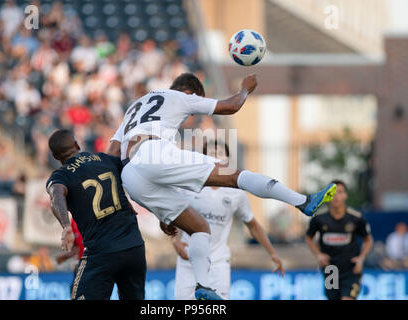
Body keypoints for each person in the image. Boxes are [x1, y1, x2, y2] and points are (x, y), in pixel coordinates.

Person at [107, 72, 336, 300]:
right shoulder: (181, 97)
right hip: (154, 153)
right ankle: (303, 201)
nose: (190, 117)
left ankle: (204, 287)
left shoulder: (133, 108)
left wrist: (136, 202)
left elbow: (113, 154)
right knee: (233, 177)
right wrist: (245, 88)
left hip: (131, 176)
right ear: (192, 93)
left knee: (199, 228)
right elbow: (231, 106)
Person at [172, 139, 285, 300]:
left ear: (227, 160)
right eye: (212, 153)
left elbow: (252, 225)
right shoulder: (188, 186)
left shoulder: (236, 192)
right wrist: (175, 241)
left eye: (220, 153)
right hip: (189, 260)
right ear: (204, 159)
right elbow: (171, 214)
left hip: (218, 262)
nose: (217, 156)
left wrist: (273, 253)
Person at [46, 129, 145, 300]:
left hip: (102, 253)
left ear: (55, 157)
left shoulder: (62, 175)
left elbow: (56, 195)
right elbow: (134, 174)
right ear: (77, 145)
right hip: (134, 247)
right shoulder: (105, 159)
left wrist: (66, 226)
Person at [305, 180, 373, 300]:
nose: (336, 196)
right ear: (327, 196)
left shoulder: (356, 218)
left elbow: (368, 240)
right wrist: (318, 255)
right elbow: (309, 238)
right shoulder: (319, 219)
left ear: (345, 195)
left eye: (340, 192)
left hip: (350, 268)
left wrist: (361, 259)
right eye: (333, 193)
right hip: (331, 269)